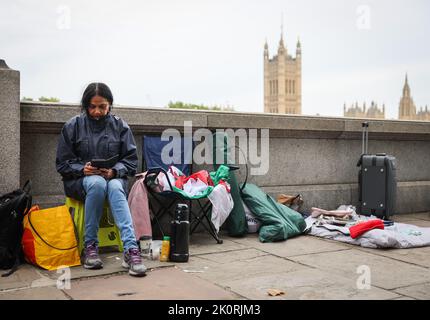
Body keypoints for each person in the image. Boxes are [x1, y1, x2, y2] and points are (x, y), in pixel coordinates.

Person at [56, 82, 146, 277]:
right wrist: (82, 169)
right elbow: (62, 164)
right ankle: (90, 246)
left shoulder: (120, 126)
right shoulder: (72, 126)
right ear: (86, 105)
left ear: (110, 105)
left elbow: (131, 162)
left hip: (113, 179)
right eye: (92, 106)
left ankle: (131, 250)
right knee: (96, 183)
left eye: (102, 106)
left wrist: (114, 171)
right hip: (80, 182)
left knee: (113, 186)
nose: (97, 111)